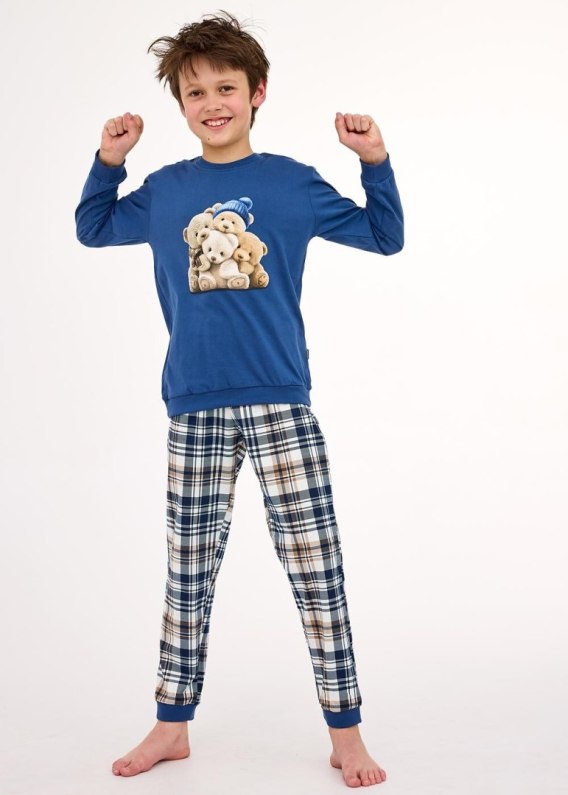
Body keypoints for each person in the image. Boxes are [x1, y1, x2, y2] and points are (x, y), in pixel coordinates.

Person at [75, 10, 403, 787]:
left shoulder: (291, 182)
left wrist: (375, 161)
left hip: (281, 402)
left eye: (226, 87)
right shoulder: (166, 191)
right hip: (193, 405)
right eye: (195, 92)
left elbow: (384, 235)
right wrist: (109, 161)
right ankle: (171, 725)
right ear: (181, 107)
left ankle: (346, 731)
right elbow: (92, 227)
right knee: (187, 574)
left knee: (317, 569)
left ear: (257, 92)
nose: (212, 102)